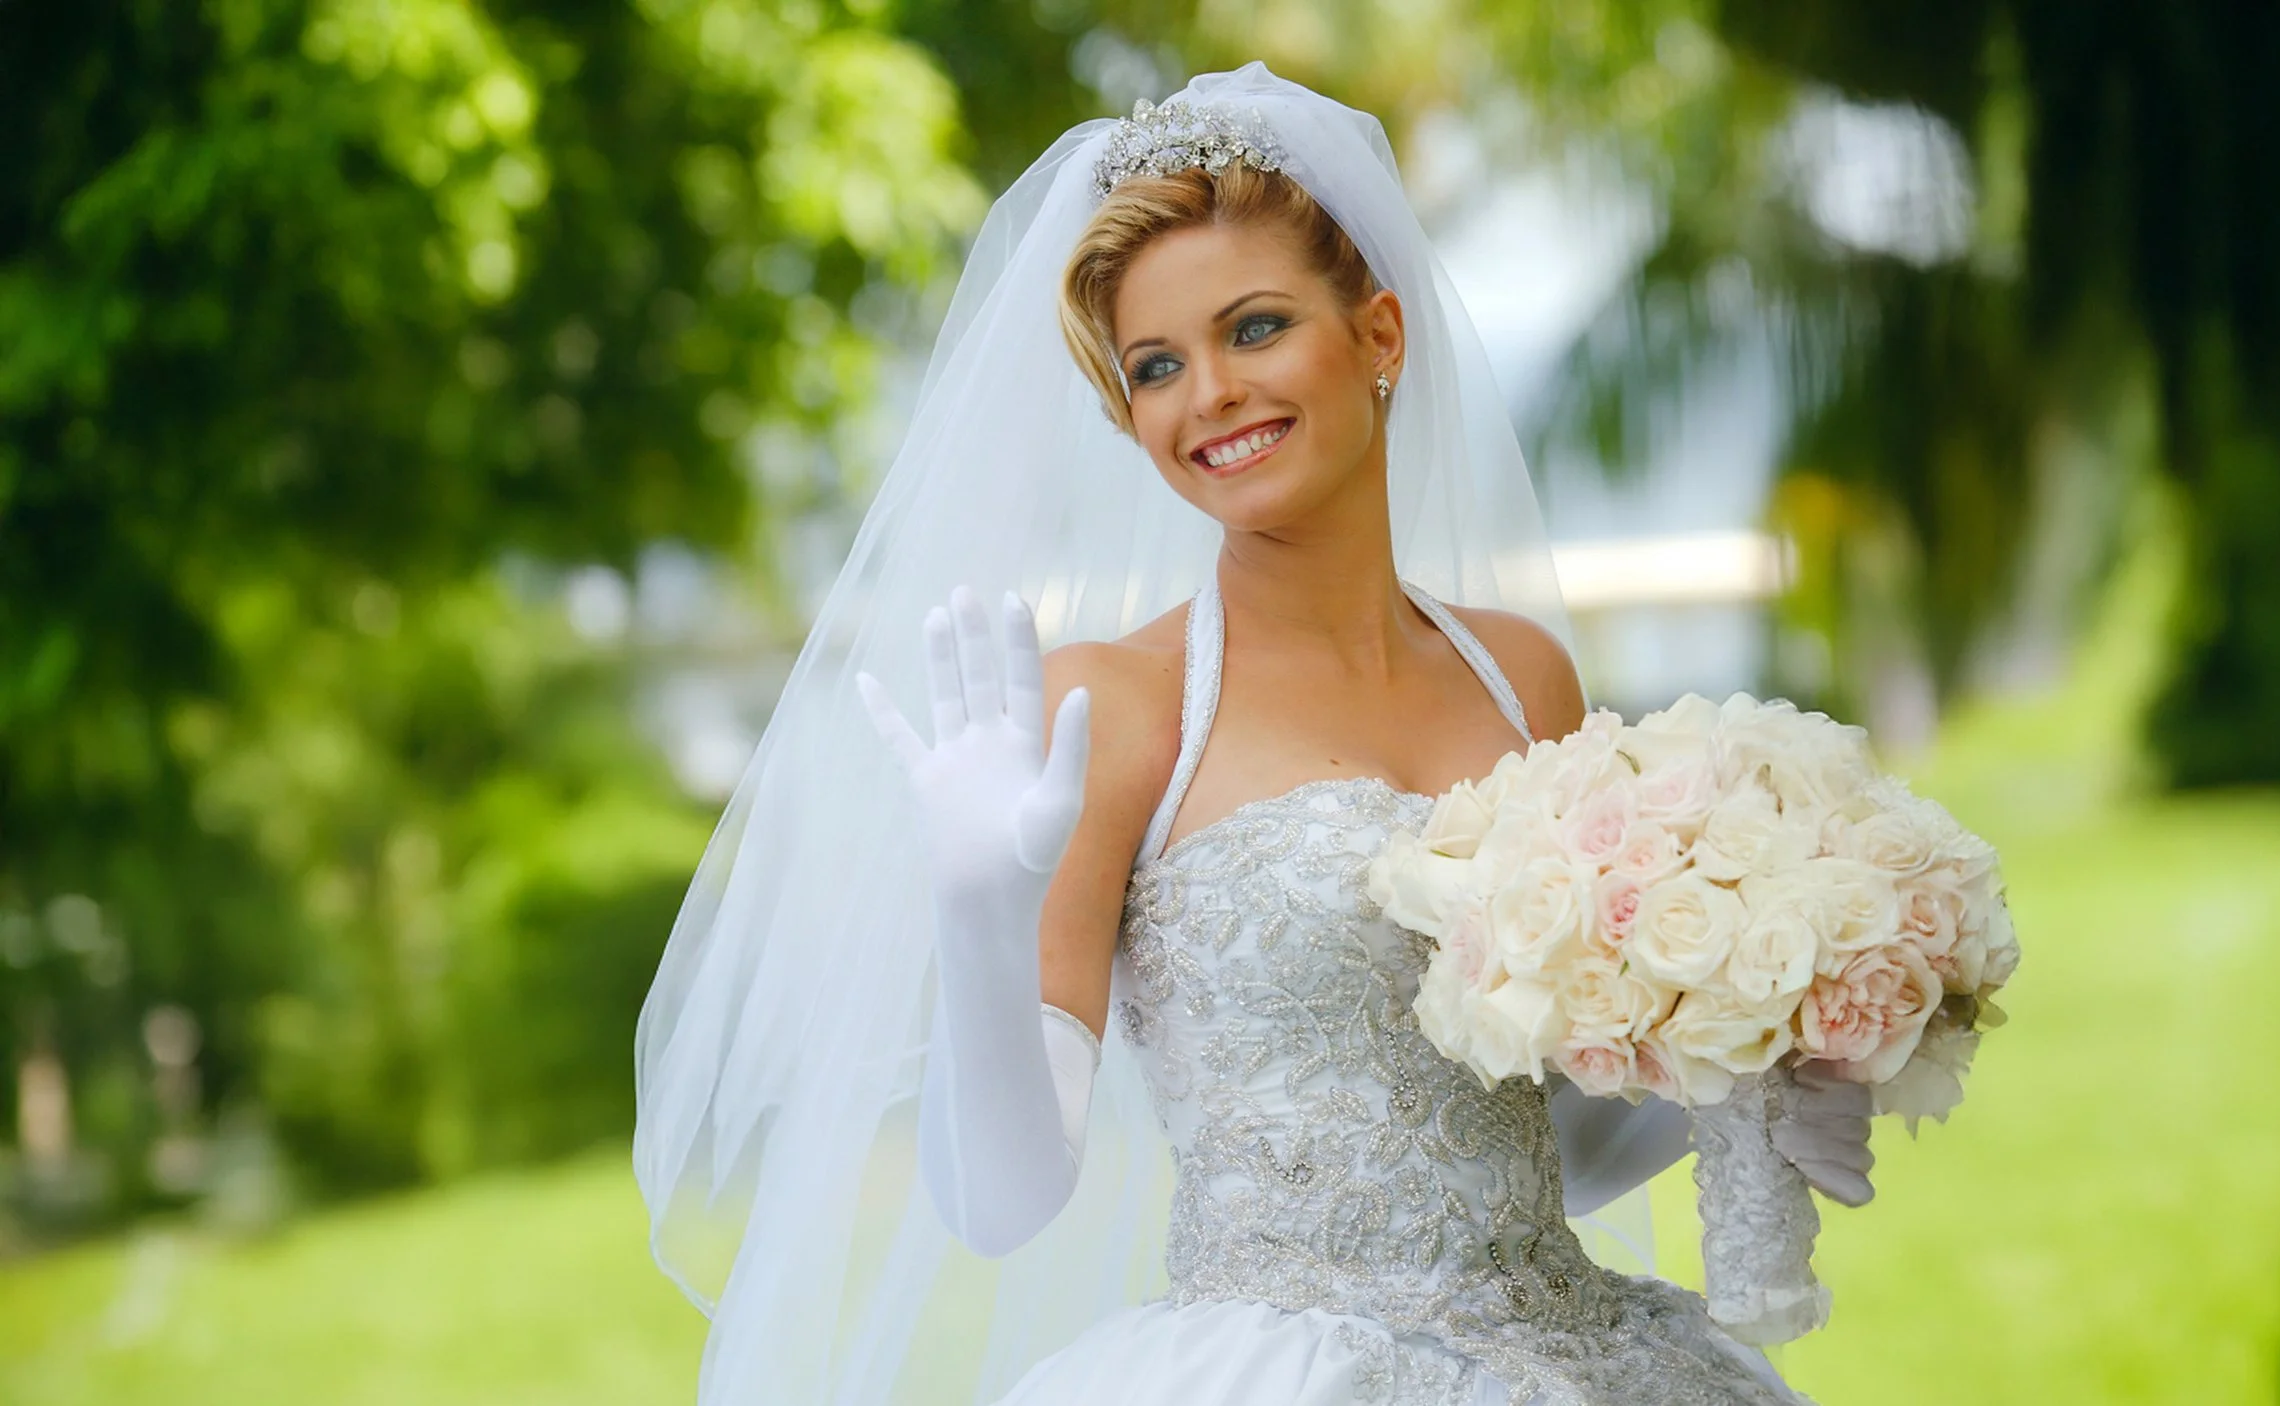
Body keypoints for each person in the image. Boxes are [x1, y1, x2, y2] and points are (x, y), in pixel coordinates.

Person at [635, 64, 1875, 1406]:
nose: (1208, 393)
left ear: (1381, 335)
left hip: (1583, 1357)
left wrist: (1751, 1040)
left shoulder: (1524, 679)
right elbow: (1002, 1201)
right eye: (1156, 367)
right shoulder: (1107, 707)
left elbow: (1555, 1134)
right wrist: (979, 913)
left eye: (1257, 327)